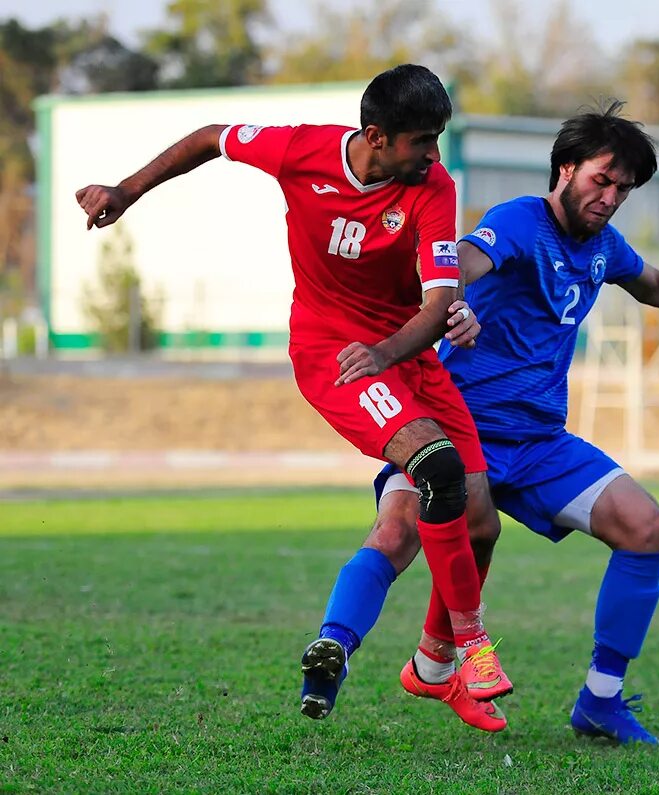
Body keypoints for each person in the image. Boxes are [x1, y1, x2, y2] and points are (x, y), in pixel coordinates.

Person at [335, 101, 659, 743]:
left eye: (624, 188)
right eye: (603, 179)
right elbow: (460, 267)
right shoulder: (516, 221)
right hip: (455, 429)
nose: (612, 196)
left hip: (539, 441)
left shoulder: (603, 247)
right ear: (566, 168)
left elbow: (655, 284)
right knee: (396, 536)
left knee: (647, 528)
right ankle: (333, 651)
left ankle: (600, 700)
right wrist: (451, 307)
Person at [75, 64, 511, 731]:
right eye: (423, 140)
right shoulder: (299, 149)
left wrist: (401, 346)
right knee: (438, 474)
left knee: (480, 519)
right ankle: (471, 645)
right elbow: (210, 137)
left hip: (403, 354)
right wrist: (127, 191)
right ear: (376, 136)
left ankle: (431, 664)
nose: (435, 155)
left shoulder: (433, 186)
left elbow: (438, 303)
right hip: (333, 353)